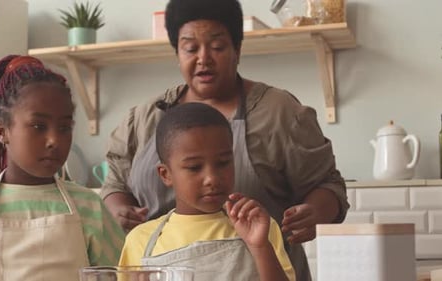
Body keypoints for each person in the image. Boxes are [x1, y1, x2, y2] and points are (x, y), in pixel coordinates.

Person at [101, 0, 349, 280]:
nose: (203, 58)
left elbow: (329, 184)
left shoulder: (279, 113)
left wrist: (314, 212)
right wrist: (119, 210)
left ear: (238, 50)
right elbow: (115, 184)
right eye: (190, 48)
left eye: (217, 47)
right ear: (177, 53)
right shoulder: (145, 117)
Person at [0, 55, 124, 281]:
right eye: (38, 126)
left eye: (64, 127)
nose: (54, 139)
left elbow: (119, 276)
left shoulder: (90, 207)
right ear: (1, 132)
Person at [119, 102, 295, 281]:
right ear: (166, 174)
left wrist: (260, 247)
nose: (212, 178)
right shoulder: (140, 240)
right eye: (194, 167)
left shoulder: (258, 225)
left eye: (223, 163)